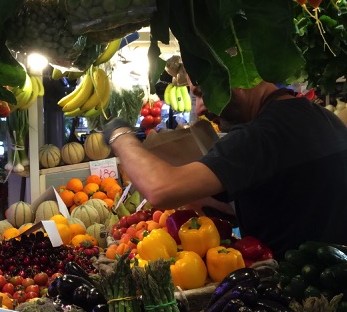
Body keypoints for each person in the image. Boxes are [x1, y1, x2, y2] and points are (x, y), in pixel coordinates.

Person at [103, 80, 347, 257]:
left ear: (236, 77)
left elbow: (159, 190)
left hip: (306, 298)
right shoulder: (319, 118)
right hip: (330, 281)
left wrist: (119, 134)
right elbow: (294, 199)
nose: (199, 108)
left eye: (201, 93)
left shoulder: (260, 136)